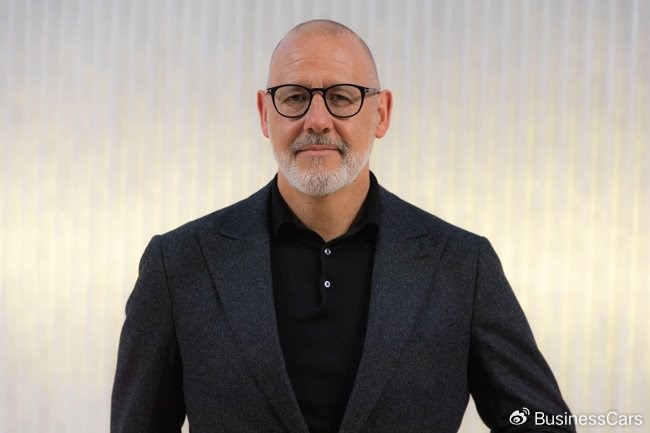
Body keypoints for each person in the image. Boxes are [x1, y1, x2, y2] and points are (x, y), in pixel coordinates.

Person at [111, 19, 575, 433]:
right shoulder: (178, 266)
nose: (317, 120)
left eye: (341, 97)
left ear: (381, 113)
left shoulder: (462, 266)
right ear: (264, 114)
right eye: (294, 97)